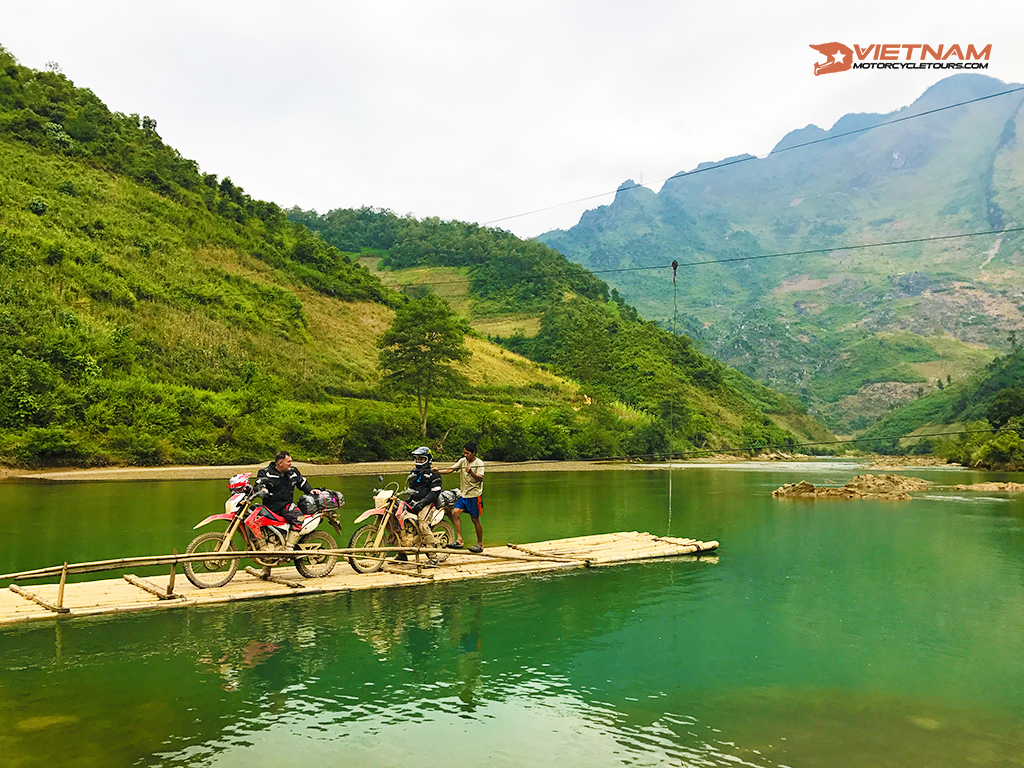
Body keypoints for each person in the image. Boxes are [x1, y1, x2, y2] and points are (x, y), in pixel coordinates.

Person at [255, 451, 313, 548]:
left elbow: (302, 483)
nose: (291, 464)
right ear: (280, 463)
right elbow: (258, 484)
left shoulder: (293, 472)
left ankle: (289, 547)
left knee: (298, 517)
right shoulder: (265, 473)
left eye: (291, 461)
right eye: (288, 461)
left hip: (286, 505)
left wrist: (311, 491)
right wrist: (262, 489)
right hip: (269, 508)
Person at [439, 442, 484, 553]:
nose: (465, 455)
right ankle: (459, 541)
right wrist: (437, 472)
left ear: (473, 453)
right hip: (463, 495)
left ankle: (480, 544)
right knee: (455, 513)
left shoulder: (479, 463)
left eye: (467, 453)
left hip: (474, 496)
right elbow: (450, 470)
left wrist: (471, 472)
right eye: (464, 453)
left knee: (475, 520)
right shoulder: (462, 461)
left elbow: (480, 478)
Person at [404, 446, 443, 557]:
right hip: (415, 502)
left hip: (429, 503)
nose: (419, 461)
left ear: (428, 459)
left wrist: (423, 503)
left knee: (423, 525)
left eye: (421, 459)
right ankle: (402, 553)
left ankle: (433, 556)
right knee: (400, 520)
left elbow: (435, 492)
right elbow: (410, 488)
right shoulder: (414, 472)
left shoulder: (434, 473)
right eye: (417, 459)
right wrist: (407, 499)